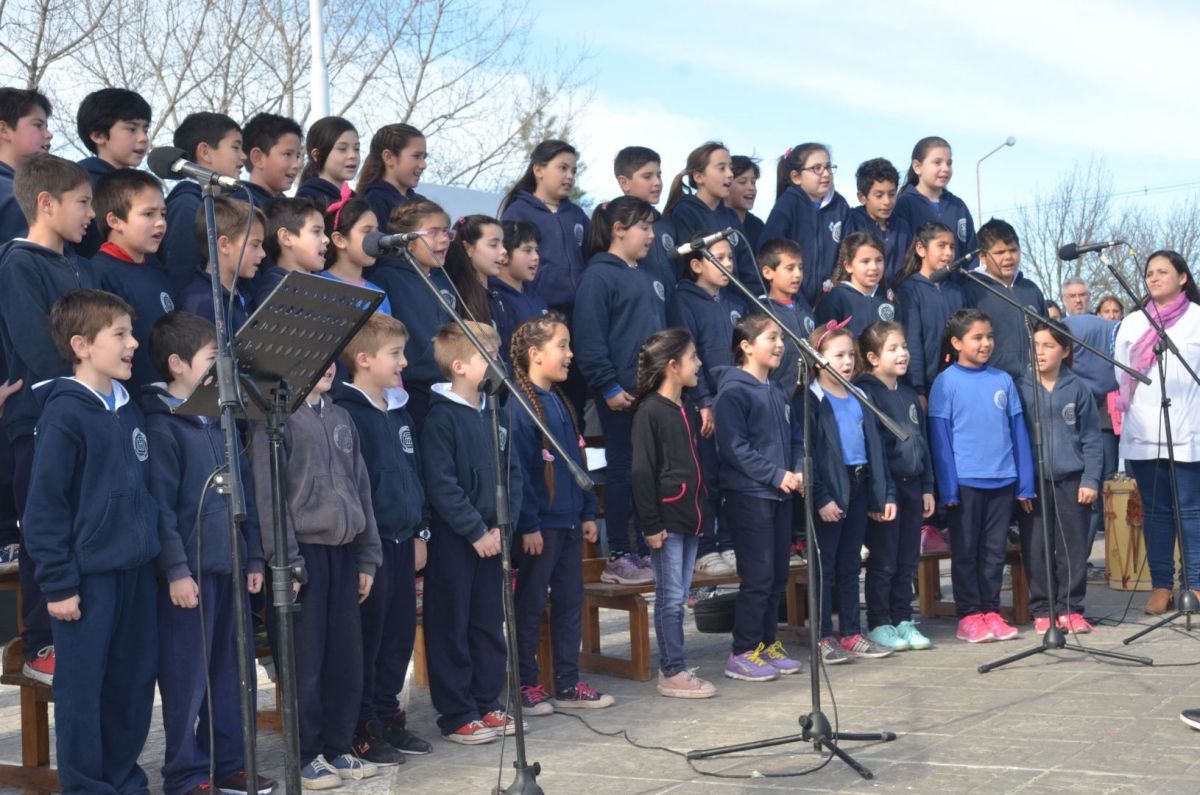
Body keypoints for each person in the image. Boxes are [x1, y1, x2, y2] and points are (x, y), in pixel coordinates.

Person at [24, 289, 158, 792]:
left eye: (131, 332)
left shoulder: (129, 409)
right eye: (119, 335)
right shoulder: (64, 413)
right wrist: (58, 585)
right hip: (87, 582)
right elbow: (45, 509)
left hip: (136, 573)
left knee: (132, 684)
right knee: (83, 692)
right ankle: (86, 785)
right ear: (81, 345)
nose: (133, 344)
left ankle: (123, 777)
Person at [143, 311, 272, 795]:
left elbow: (245, 495)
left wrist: (254, 556)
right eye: (210, 359)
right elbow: (161, 507)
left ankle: (229, 763)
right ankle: (186, 773)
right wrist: (176, 569)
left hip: (231, 567)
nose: (220, 369)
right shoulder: (162, 426)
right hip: (190, 576)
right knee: (187, 680)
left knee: (232, 676)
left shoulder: (221, 418)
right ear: (177, 364)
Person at [251, 362, 383, 788]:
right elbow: (269, 496)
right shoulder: (275, 419)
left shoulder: (341, 416)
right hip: (301, 554)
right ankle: (308, 754)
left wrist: (367, 557)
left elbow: (361, 486)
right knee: (305, 659)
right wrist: (284, 561)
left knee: (345, 656)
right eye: (317, 357)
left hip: (344, 551)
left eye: (332, 359)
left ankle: (338, 746)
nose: (326, 367)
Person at [0, 153, 98, 684]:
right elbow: (40, 348)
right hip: (39, 418)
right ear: (45, 203)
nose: (91, 213)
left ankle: (77, 632)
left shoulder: (74, 263)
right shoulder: (18, 263)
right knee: (47, 526)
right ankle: (41, 644)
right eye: (82, 203)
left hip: (84, 413)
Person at [333, 313, 433, 765]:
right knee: (369, 640)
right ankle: (363, 725)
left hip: (403, 539)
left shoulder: (399, 409)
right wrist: (364, 553)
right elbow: (355, 488)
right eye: (395, 354)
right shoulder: (348, 414)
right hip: (371, 547)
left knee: (397, 637)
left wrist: (420, 531)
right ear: (364, 359)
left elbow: (414, 475)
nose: (405, 363)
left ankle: (388, 714)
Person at [420, 322, 524, 744]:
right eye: (488, 356)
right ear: (459, 366)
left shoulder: (496, 410)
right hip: (457, 540)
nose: (497, 363)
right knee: (452, 623)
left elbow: (512, 474)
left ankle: (487, 700)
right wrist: (475, 530)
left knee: (488, 621)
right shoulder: (440, 419)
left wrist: (504, 526)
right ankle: (457, 711)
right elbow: (441, 483)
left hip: (494, 538)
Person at [509, 314, 612, 714]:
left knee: (571, 602)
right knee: (531, 606)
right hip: (542, 527)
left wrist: (588, 510)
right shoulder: (521, 407)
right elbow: (522, 469)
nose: (570, 355)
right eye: (562, 346)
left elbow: (577, 461)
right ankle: (526, 683)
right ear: (535, 354)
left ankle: (568, 682)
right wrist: (530, 523)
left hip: (569, 521)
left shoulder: (562, 402)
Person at [572, 196, 667, 585]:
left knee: (649, 475)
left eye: (651, 227)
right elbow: (589, 338)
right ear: (618, 230)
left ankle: (646, 548)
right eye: (643, 227)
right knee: (622, 473)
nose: (650, 236)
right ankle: (619, 554)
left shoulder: (643, 274)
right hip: (621, 397)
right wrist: (608, 385)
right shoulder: (599, 276)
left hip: (652, 395)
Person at [929, 308, 1035, 643]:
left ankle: (991, 610)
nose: (986, 343)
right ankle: (969, 614)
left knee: (994, 552)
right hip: (965, 483)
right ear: (957, 342)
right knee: (966, 551)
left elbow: (1018, 434)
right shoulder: (945, 383)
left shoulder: (1003, 380)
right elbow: (941, 441)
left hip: (1002, 480)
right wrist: (948, 489)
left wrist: (1025, 483)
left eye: (989, 336)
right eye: (977, 337)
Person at [713, 314, 804, 681]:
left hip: (780, 494)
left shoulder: (777, 390)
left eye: (781, 338)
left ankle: (766, 645)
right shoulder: (733, 391)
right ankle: (743, 650)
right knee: (758, 574)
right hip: (750, 495)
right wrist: (775, 474)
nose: (780, 345)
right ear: (746, 346)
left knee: (778, 573)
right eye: (771, 337)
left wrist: (797, 468)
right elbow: (734, 448)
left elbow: (796, 435)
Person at [631, 328, 717, 698]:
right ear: (672, 365)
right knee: (669, 597)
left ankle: (675, 665)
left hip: (689, 516)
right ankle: (672, 670)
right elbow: (641, 471)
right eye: (692, 357)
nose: (698, 364)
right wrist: (651, 524)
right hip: (667, 522)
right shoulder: (650, 411)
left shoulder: (683, 408)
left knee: (679, 596)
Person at [1114, 250, 1200, 615]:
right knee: (1156, 511)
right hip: (1144, 431)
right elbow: (1120, 374)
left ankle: (1194, 584)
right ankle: (1161, 585)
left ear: (1182, 277)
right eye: (1149, 273)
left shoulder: (1197, 318)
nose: (1153, 278)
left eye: (1163, 271)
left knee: (1191, 510)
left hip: (1189, 429)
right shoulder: (1134, 322)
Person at [805, 320, 895, 663]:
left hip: (858, 484)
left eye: (849, 355)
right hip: (830, 488)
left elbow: (874, 448)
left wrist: (880, 494)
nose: (846, 362)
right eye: (837, 355)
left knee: (849, 564)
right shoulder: (811, 399)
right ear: (817, 359)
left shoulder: (860, 394)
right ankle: (822, 635)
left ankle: (852, 633)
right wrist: (821, 497)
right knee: (824, 565)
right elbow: (809, 453)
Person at [856, 320, 935, 651]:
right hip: (886, 490)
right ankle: (879, 622)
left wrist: (928, 485)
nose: (903, 353)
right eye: (893, 348)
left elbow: (922, 441)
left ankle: (904, 619)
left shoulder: (907, 394)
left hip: (914, 486)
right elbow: (875, 451)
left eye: (904, 346)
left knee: (906, 560)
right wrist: (882, 494)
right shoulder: (866, 393)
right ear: (873, 358)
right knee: (884, 560)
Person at [1017, 322, 1101, 634]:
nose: (1040, 352)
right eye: (1035, 345)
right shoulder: (1021, 386)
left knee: (1073, 548)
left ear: (1065, 351)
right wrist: (1022, 484)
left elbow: (1092, 438)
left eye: (1048, 346)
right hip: (1034, 483)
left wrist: (1090, 479)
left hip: (1071, 480)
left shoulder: (1077, 388)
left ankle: (1071, 608)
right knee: (1037, 547)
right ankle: (1042, 609)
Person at [668, 236, 745, 575]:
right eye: (719, 258)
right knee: (707, 476)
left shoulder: (732, 302)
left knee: (731, 475)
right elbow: (688, 351)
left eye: (731, 258)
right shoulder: (684, 300)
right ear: (697, 264)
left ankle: (729, 541)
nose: (728, 264)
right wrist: (702, 399)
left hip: (733, 401)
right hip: (704, 402)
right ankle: (705, 546)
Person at [371, 199, 456, 428]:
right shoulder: (388, 278)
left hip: (445, 391)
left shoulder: (443, 280)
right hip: (414, 394)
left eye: (446, 231)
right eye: (433, 232)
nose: (444, 239)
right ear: (407, 241)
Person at [90, 168, 173, 392]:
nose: (160, 223)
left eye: (163, 214)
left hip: (167, 400)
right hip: (129, 401)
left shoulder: (157, 273)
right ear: (115, 221)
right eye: (149, 214)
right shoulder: (98, 274)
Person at [499, 140, 588, 312]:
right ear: (539, 170)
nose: (570, 176)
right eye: (563, 168)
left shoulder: (577, 214)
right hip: (537, 310)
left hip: (577, 312)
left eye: (573, 171)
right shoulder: (518, 211)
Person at [162, 112, 244, 293]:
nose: (243, 156)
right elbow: (182, 274)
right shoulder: (186, 205)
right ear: (205, 152)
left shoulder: (218, 204)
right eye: (235, 147)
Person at [760, 143, 849, 305]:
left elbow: (848, 250)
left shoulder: (840, 205)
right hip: (792, 299)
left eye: (828, 167)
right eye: (816, 168)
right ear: (796, 177)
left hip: (829, 299)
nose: (826, 173)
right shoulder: (788, 204)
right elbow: (768, 252)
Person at [663, 142, 759, 290]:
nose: (730, 174)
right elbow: (685, 267)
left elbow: (747, 269)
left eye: (730, 168)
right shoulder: (685, 212)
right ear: (699, 177)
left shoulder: (731, 217)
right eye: (722, 168)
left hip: (736, 307)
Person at [960, 219, 1047, 379]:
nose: (1008, 257)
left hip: (1033, 383)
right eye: (999, 253)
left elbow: (1046, 335)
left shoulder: (1031, 290)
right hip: (990, 381)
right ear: (983, 256)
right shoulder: (972, 291)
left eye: (1013, 250)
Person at [74, 87, 152, 257]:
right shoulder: (78, 184)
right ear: (98, 135)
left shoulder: (144, 188)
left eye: (145, 130)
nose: (143, 138)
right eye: (132, 129)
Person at [176, 196, 266, 333]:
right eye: (255, 245)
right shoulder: (199, 303)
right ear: (224, 245)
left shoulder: (244, 291)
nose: (263, 253)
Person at [894, 222, 962, 401]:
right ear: (921, 249)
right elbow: (912, 341)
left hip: (958, 383)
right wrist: (919, 389)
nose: (948, 253)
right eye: (941, 246)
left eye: (952, 247)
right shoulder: (910, 289)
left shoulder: (956, 291)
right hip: (927, 386)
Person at [893, 136, 976, 260]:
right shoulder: (904, 204)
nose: (945, 169)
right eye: (937, 162)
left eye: (949, 163)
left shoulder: (958, 206)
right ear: (917, 167)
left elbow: (972, 252)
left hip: (957, 279)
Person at [614, 145, 678, 305]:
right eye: (647, 176)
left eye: (659, 175)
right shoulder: (612, 220)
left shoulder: (667, 225)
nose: (657, 182)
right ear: (624, 182)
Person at [315, 190, 392, 315]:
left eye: (377, 231)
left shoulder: (379, 295)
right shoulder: (317, 286)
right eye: (367, 231)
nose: (376, 238)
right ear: (339, 240)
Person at [757, 237, 815, 397]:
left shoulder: (805, 309)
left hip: (808, 395)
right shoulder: (761, 312)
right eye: (790, 268)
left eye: (800, 268)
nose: (797, 274)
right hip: (777, 394)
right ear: (768, 272)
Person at [814, 231, 897, 336]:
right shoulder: (835, 299)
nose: (874, 267)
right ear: (848, 266)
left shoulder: (889, 298)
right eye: (865, 261)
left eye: (879, 260)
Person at [252, 195, 330, 307]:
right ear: (286, 237)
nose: (326, 239)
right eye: (316, 231)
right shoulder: (273, 291)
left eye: (324, 232)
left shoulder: (323, 286)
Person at [844, 158, 911, 283]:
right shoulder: (852, 222)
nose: (887, 202)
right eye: (879, 195)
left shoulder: (902, 227)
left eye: (892, 194)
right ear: (862, 197)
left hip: (896, 298)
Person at [489, 220, 548, 361]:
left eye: (536, 250)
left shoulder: (536, 298)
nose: (536, 257)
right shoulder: (492, 298)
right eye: (527, 250)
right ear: (504, 254)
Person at [0, 87, 53, 241]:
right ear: (4, 130)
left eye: (47, 127)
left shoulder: (33, 187)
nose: (49, 135)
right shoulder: (9, 195)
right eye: (38, 125)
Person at [356, 123, 427, 230]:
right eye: (416, 156)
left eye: (424, 157)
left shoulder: (422, 202)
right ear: (388, 157)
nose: (423, 165)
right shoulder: (374, 201)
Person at [444, 214, 505, 325]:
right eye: (494, 244)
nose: (503, 251)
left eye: (503, 244)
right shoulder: (457, 295)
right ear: (468, 248)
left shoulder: (498, 292)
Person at [239, 112, 303, 209]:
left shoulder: (288, 207)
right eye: (287, 154)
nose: (296, 165)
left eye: (297, 156)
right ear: (258, 158)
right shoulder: (242, 206)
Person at [297, 116, 360, 208]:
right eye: (342, 149)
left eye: (356, 149)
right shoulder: (308, 200)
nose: (353, 155)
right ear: (316, 155)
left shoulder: (357, 200)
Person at [729, 155, 764, 251]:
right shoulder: (714, 221)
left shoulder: (757, 226)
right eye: (742, 182)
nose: (751, 188)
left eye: (753, 182)